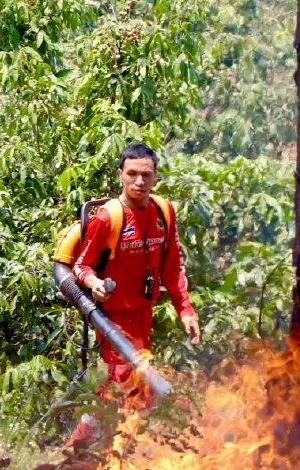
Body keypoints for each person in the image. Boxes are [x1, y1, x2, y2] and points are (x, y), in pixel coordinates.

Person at [63, 143, 201, 450]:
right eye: (132, 174)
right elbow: (81, 265)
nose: (139, 182)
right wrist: (93, 281)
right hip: (112, 317)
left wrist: (186, 310)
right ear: (120, 176)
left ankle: (80, 443)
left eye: (146, 175)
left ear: (155, 177)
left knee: (119, 381)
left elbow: (172, 265)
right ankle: (121, 452)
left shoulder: (163, 212)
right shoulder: (108, 218)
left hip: (143, 311)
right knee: (138, 382)